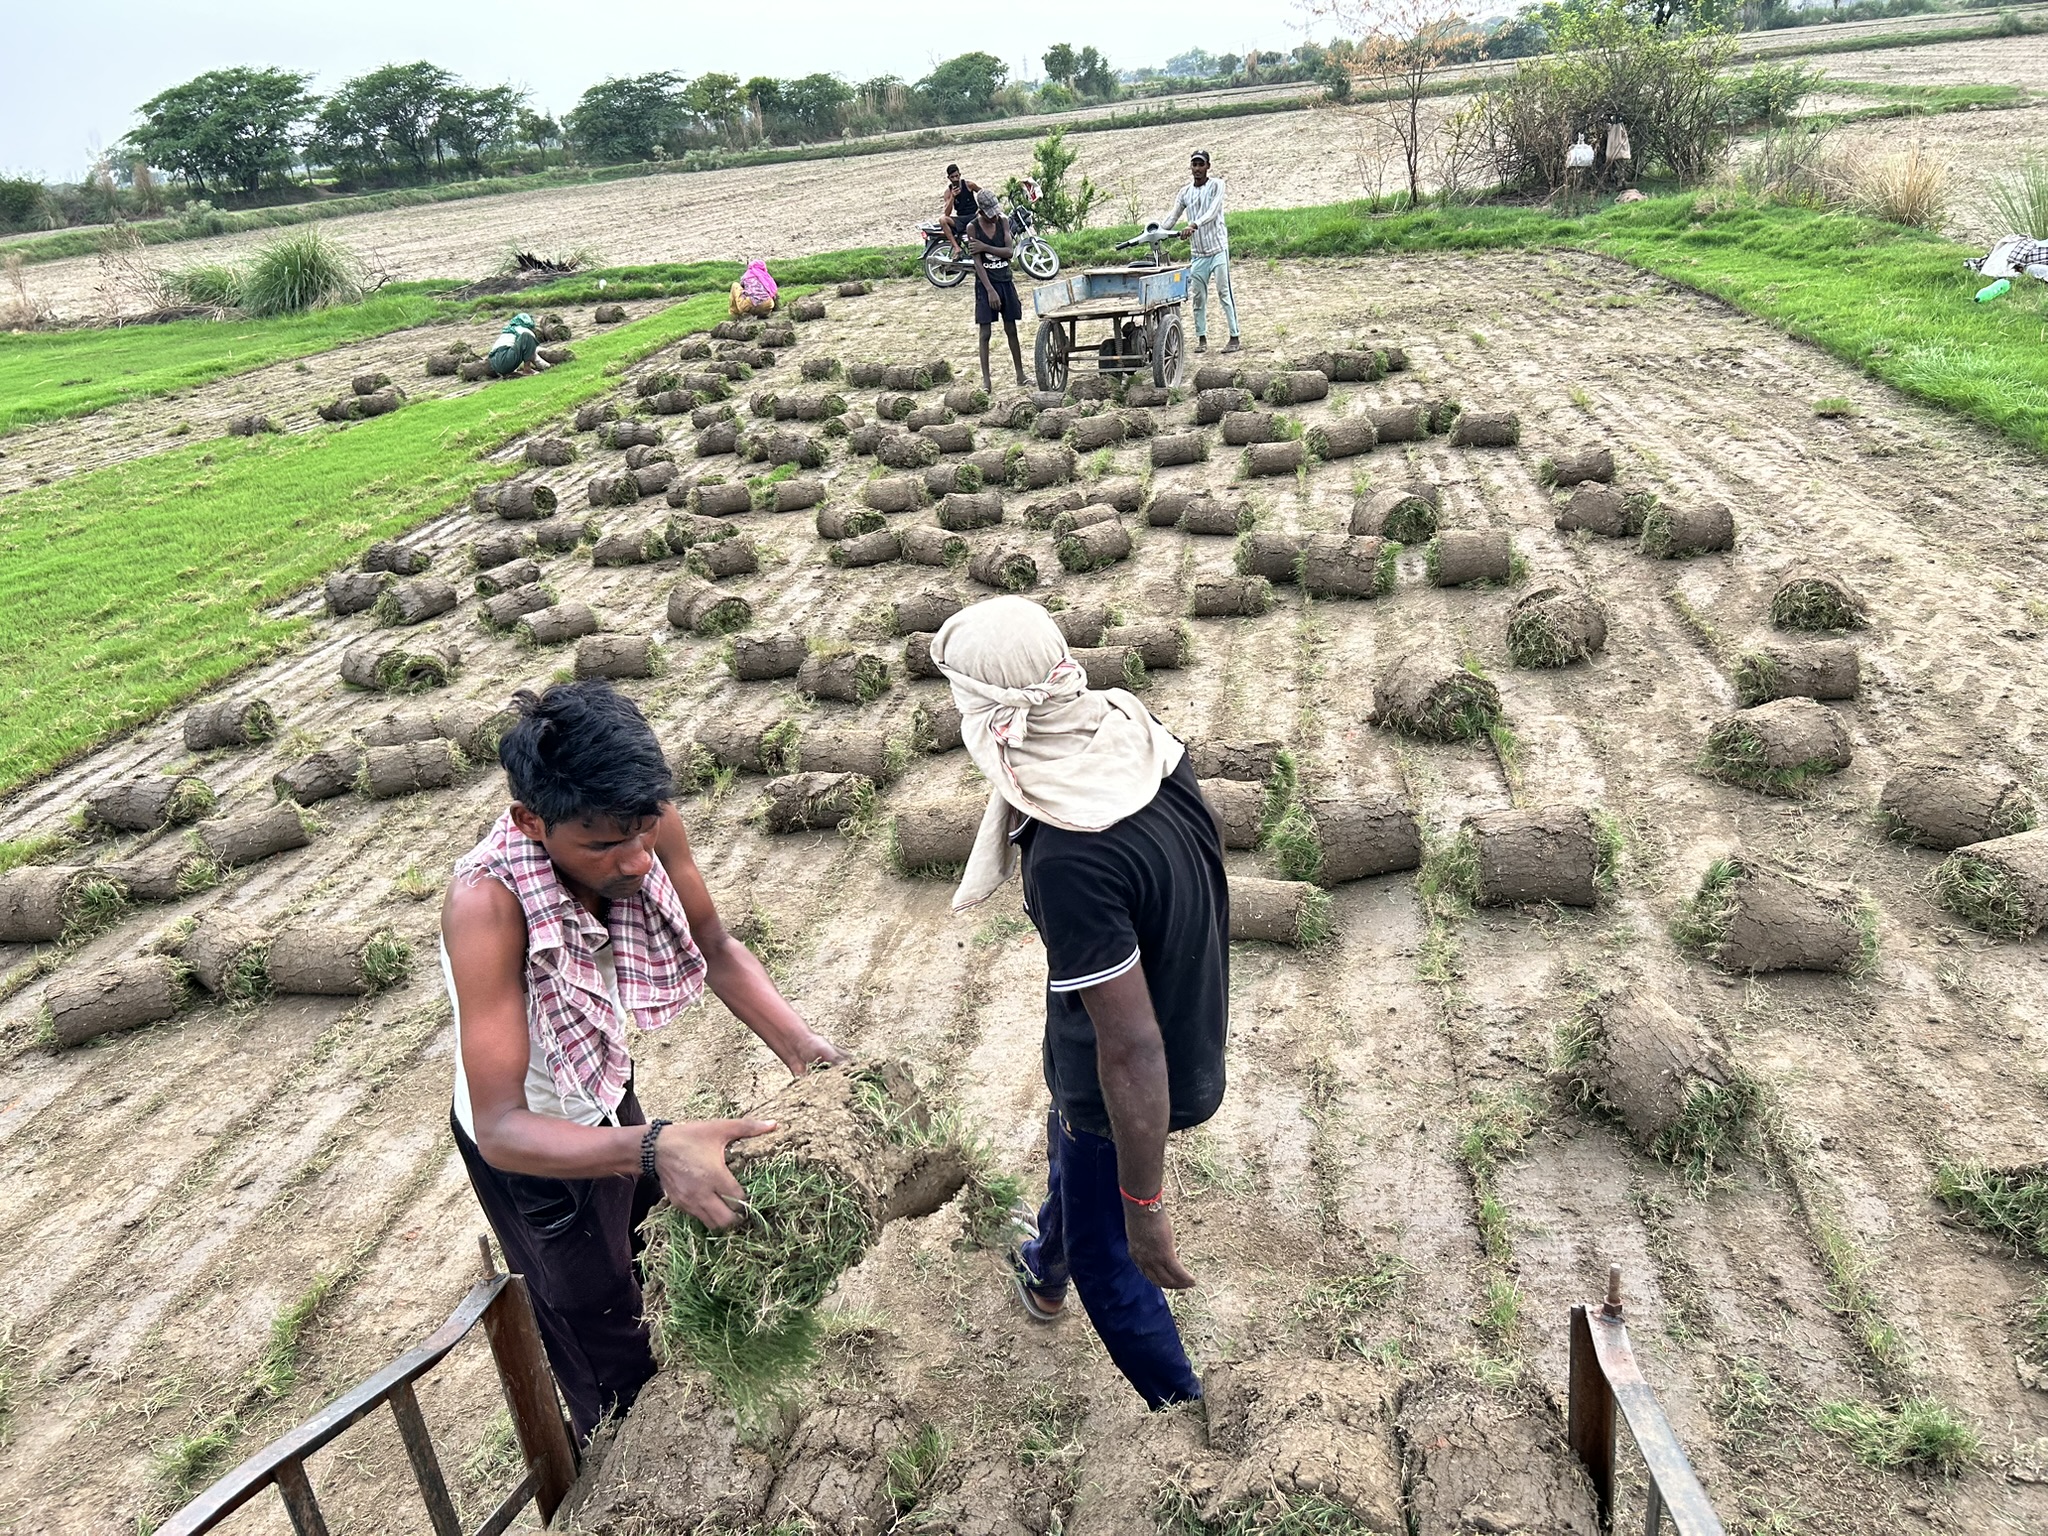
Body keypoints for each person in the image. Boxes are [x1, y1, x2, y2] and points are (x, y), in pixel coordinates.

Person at [441, 680, 845, 1441]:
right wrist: (657, 1147)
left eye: (642, 835)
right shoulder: (486, 906)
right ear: (532, 822)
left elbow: (716, 946)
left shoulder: (644, 823)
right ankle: (625, 1453)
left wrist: (806, 1050)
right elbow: (501, 1126)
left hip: (598, 1085)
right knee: (599, 1322)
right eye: (601, 846)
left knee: (649, 1259)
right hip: (532, 1144)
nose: (633, 862)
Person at [928, 598, 1229, 1410]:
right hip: (1177, 1019)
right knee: (1070, 1163)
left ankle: (1190, 1412)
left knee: (1113, 1252)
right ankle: (1043, 1269)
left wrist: (1147, 1205)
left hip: (1126, 1079)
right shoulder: (1132, 731)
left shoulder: (1069, 858)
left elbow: (1129, 1049)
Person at [1159, 150, 1239, 354]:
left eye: (1200, 164)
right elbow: (1172, 217)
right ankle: (1201, 339)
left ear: (1208, 167)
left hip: (1218, 249)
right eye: (1194, 164)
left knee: (1224, 293)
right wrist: (1157, 232)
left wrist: (1194, 224)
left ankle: (1234, 337)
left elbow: (1212, 212)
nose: (1197, 169)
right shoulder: (1185, 192)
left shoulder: (1217, 185)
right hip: (1198, 254)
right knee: (1198, 297)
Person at [963, 188, 1027, 394]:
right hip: (986, 284)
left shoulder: (1003, 222)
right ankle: (987, 382)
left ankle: (1021, 375)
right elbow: (977, 263)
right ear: (981, 212)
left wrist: (985, 247)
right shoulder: (972, 228)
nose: (993, 217)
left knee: (1011, 329)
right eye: (989, 214)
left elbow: (1009, 252)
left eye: (995, 213)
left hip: (1005, 281)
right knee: (985, 333)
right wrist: (990, 290)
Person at [485, 312, 550, 378]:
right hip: (505, 358)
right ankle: (527, 369)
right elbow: (532, 353)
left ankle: (508, 373)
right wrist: (546, 365)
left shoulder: (508, 331)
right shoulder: (524, 331)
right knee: (527, 336)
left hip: (494, 361)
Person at [938, 163, 981, 254]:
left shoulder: (969, 185)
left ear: (960, 175)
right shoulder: (948, 192)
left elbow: (983, 194)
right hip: (961, 219)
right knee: (942, 219)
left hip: (974, 215)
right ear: (949, 178)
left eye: (957, 176)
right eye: (952, 177)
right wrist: (952, 197)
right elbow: (947, 213)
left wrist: (981, 208)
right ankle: (956, 247)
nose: (955, 179)